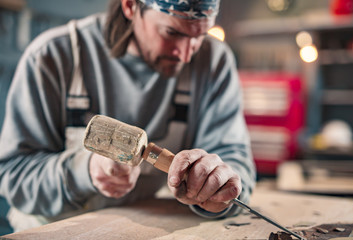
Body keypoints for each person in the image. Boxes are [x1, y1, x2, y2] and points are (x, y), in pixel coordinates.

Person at [0, 0, 256, 232]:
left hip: (140, 230)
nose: (187, 54)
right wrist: (83, 172)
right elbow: (13, 176)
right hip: (53, 231)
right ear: (130, 6)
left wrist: (219, 191)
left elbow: (235, 160)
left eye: (200, 34)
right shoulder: (52, 56)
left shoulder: (213, 61)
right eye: (173, 32)